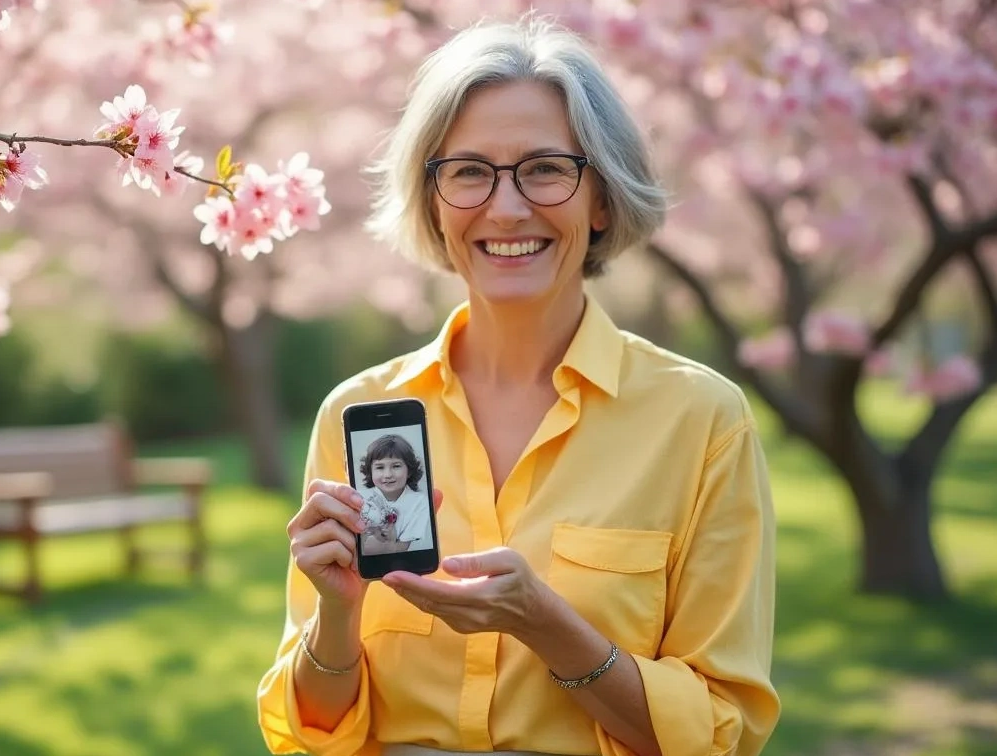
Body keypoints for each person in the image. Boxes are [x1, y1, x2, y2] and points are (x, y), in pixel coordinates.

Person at [257, 13, 780, 756]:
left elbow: (721, 734)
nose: (506, 207)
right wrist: (336, 620)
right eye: (469, 171)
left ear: (600, 199)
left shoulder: (700, 422)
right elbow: (312, 736)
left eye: (544, 168)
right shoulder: (358, 413)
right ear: (434, 201)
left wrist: (549, 627)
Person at [356, 433, 434, 555]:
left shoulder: (419, 502)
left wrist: (391, 541)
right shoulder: (359, 498)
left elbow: (401, 548)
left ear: (409, 470)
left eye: (396, 466)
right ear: (370, 472)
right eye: (380, 467)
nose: (388, 474)